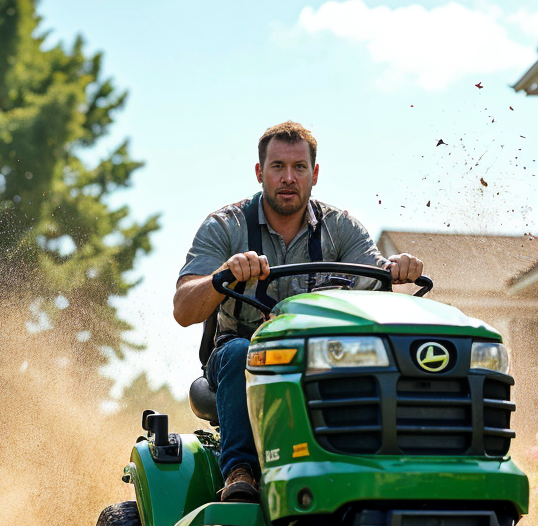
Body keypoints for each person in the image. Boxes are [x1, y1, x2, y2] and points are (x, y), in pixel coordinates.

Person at [174, 121, 424, 502]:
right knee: (243, 352)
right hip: (240, 354)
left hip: (325, 357)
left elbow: (381, 288)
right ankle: (241, 472)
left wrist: (400, 274)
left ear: (315, 173)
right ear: (260, 172)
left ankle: (384, 467)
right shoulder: (224, 226)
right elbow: (183, 308)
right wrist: (222, 275)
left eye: (299, 167)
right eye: (277, 167)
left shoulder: (342, 229)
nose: (288, 178)